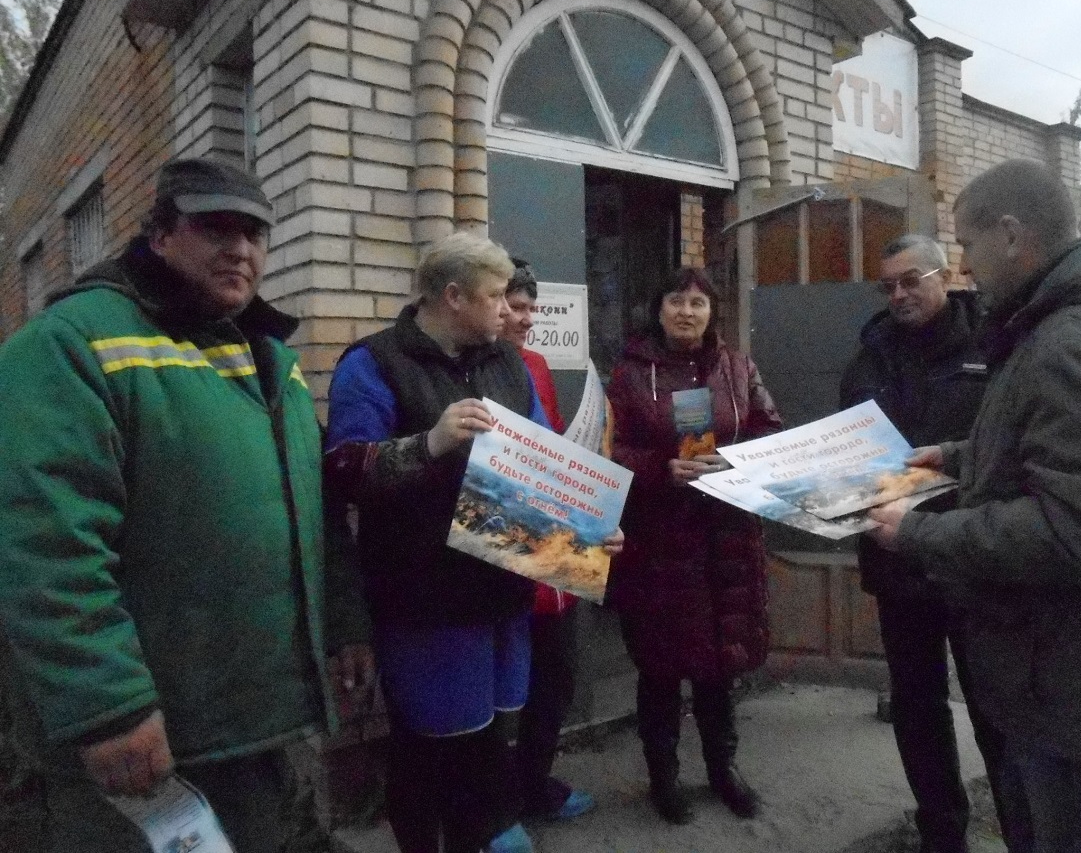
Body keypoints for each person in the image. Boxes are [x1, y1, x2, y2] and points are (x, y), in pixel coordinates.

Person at [0, 158, 373, 853]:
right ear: (161, 236)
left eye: (256, 233)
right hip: (149, 747)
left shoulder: (272, 359)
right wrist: (106, 705)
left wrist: (346, 621)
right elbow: (43, 544)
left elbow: (314, 510)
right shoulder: (69, 346)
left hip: (260, 724)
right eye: (216, 228)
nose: (241, 249)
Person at [869, 159, 1081, 852]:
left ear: (1012, 234)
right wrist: (959, 456)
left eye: (965, 243)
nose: (964, 261)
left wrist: (924, 534)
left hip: (1077, 669)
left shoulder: (1078, 340)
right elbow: (1061, 451)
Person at [323, 233, 621, 853]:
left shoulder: (505, 361)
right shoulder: (372, 363)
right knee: (428, 752)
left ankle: (477, 837)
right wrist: (428, 443)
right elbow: (343, 472)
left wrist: (585, 524)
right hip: (424, 603)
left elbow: (544, 459)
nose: (510, 311)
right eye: (495, 298)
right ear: (453, 297)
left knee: (485, 746)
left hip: (503, 592)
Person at [840, 234, 1004, 853]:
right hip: (897, 562)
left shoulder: (992, 348)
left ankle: (1022, 822)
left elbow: (1011, 453)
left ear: (945, 277)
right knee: (917, 704)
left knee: (993, 704)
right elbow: (848, 451)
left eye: (911, 281)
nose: (899, 295)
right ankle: (941, 830)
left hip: (973, 558)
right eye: (888, 286)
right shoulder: (868, 357)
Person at [607, 266, 781, 824]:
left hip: (726, 536)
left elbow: (769, 426)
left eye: (698, 303)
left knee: (718, 667)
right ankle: (664, 778)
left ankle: (723, 771)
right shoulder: (630, 374)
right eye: (677, 301)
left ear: (712, 313)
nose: (687, 311)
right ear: (659, 310)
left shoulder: (736, 367)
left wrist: (735, 459)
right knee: (659, 669)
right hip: (660, 541)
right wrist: (663, 468)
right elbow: (611, 450)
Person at [501, 260, 596, 822]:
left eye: (531, 308)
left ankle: (533, 783)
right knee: (501, 690)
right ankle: (493, 804)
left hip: (554, 550)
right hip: (503, 545)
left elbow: (554, 449)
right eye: (515, 306)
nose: (526, 319)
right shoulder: (472, 368)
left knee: (555, 679)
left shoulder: (535, 364)